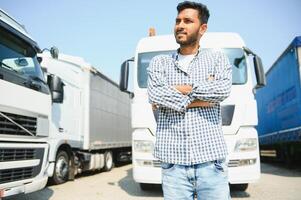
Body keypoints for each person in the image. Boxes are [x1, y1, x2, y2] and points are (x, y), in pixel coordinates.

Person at [147, 1, 232, 199]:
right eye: (177, 21)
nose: (180, 25)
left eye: (187, 21)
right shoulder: (159, 62)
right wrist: (204, 94)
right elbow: (155, 94)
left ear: (202, 28)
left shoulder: (217, 60)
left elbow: (221, 91)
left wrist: (175, 93)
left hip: (211, 162)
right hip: (173, 165)